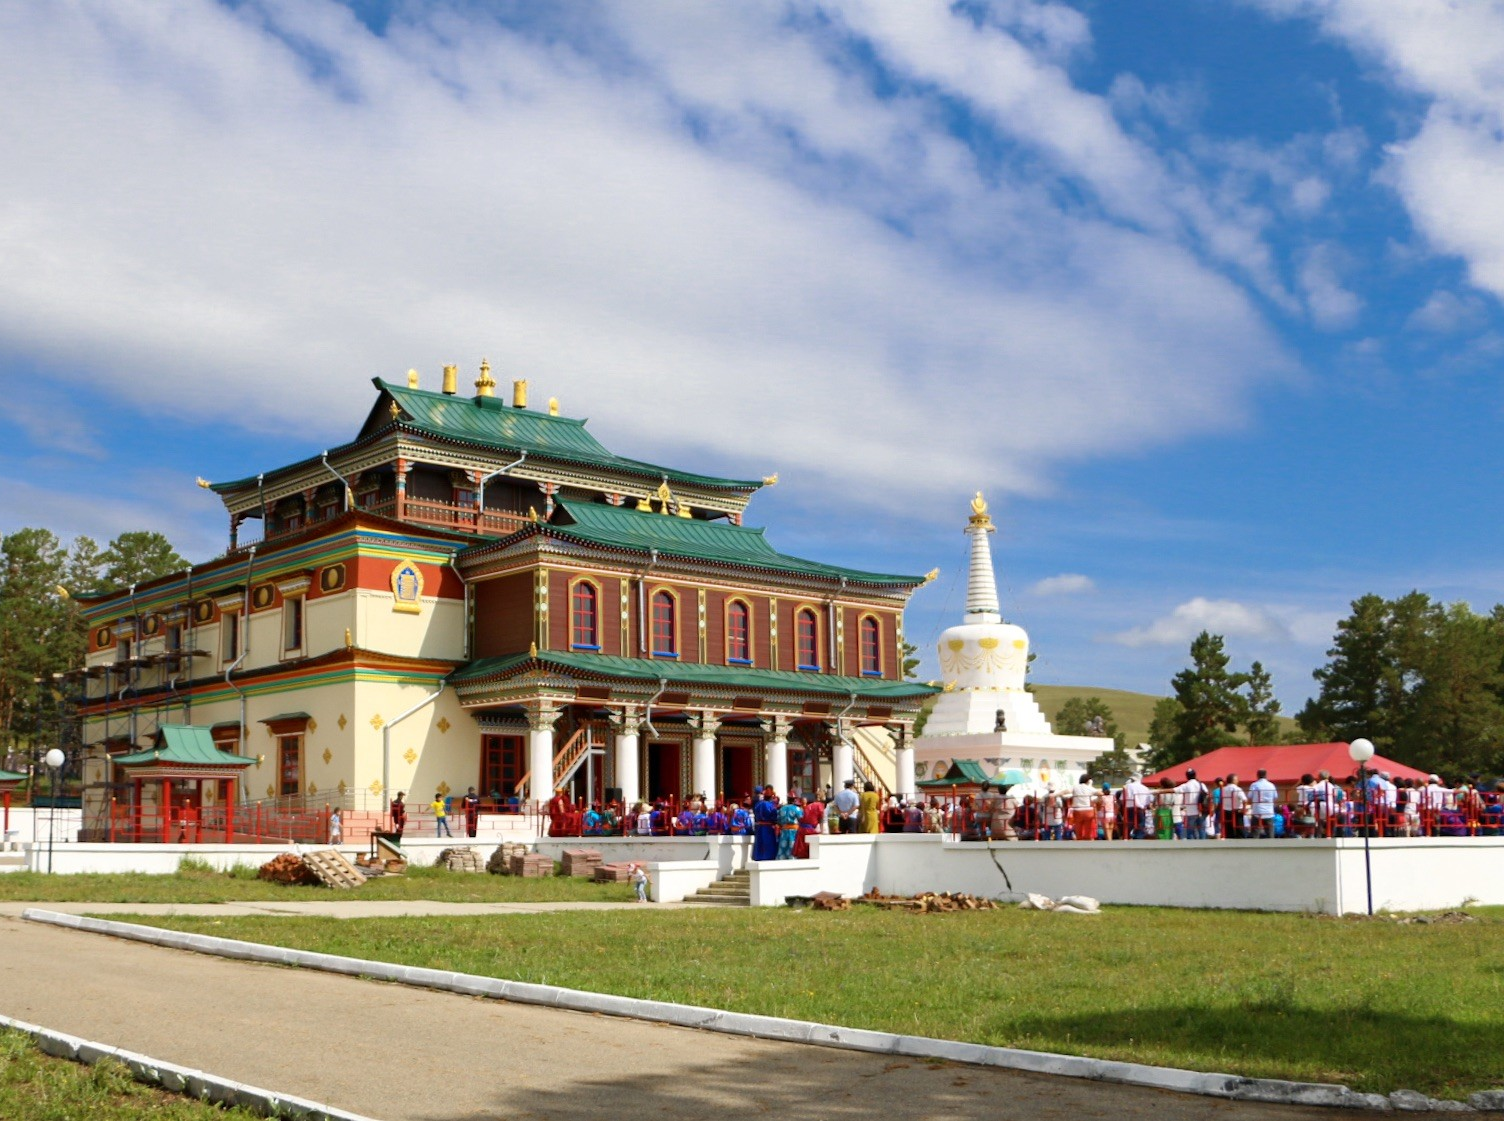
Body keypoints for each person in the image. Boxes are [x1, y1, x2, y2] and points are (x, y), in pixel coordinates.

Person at [1176, 768, 1207, 840]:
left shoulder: (1186, 786)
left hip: (1191, 811)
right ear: (1195, 775)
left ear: (1187, 776)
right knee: (1201, 829)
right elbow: (1207, 794)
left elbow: (1175, 790)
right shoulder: (1201, 785)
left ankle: (1192, 845)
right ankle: (1203, 844)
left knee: (1190, 831)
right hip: (1201, 810)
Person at [752, 785, 780, 860]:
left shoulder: (758, 804)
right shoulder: (771, 805)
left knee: (759, 845)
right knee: (768, 845)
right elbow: (774, 817)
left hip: (759, 827)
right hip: (768, 828)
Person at [1248, 769, 1278, 838]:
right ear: (1266, 775)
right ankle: (1272, 846)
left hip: (1257, 811)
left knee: (1255, 833)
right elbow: (1275, 796)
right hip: (1269, 811)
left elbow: (1249, 796)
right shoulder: (1271, 785)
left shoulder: (1254, 785)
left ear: (1257, 775)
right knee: (1270, 832)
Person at [796, 791, 825, 858]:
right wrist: (822, 831)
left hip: (802, 829)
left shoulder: (809, 805)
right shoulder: (820, 805)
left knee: (802, 852)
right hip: (810, 830)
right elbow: (821, 819)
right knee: (810, 851)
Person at [1069, 775, 1096, 841]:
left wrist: (1055, 795)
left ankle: (1079, 843)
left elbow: (1066, 792)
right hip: (1088, 810)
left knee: (1078, 831)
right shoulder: (1089, 788)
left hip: (1078, 810)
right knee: (1088, 831)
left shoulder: (1075, 787)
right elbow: (1100, 793)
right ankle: (1087, 844)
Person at [1221, 774, 1248, 839]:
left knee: (1228, 830)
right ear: (1233, 780)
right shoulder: (1237, 789)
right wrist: (1244, 809)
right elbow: (1244, 799)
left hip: (1226, 811)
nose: (1238, 781)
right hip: (1237, 811)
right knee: (1240, 829)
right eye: (1237, 779)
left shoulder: (1223, 789)